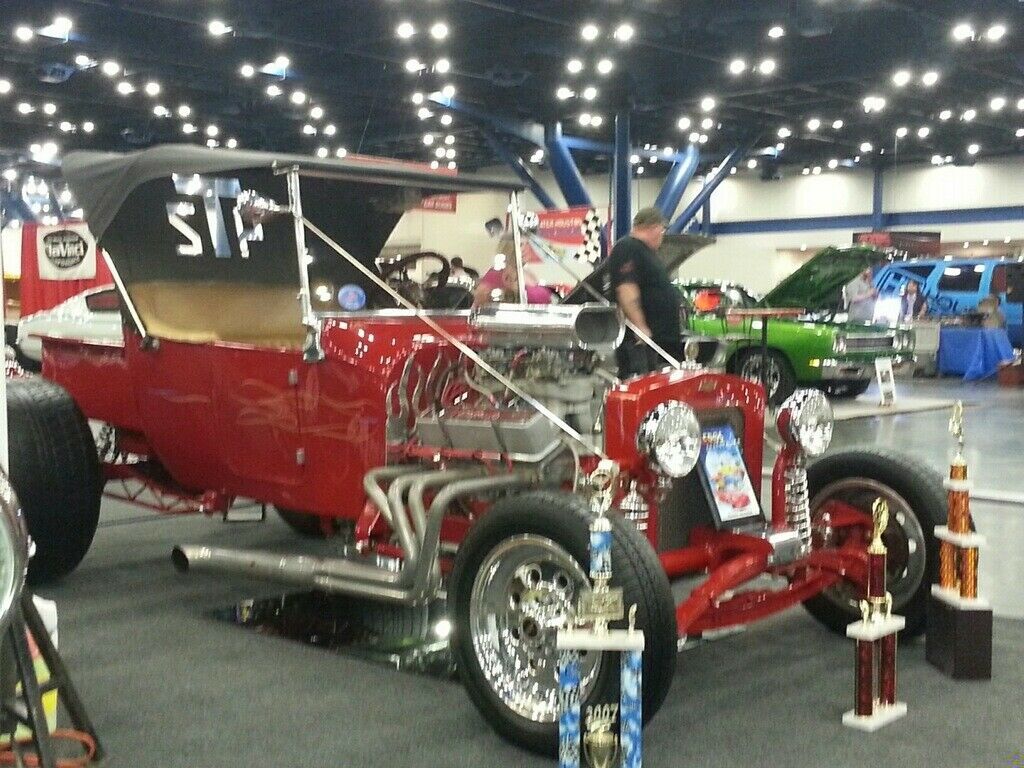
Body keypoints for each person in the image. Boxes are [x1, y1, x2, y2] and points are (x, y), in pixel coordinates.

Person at [607, 207, 683, 375]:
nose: (662, 235)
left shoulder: (647, 253)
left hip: (661, 343)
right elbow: (626, 289)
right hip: (642, 345)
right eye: (662, 230)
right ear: (654, 228)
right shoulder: (627, 248)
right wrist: (640, 327)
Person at [472, 237, 552, 306]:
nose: (525, 249)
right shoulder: (493, 276)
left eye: (527, 244)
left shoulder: (529, 274)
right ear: (508, 248)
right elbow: (480, 302)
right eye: (520, 245)